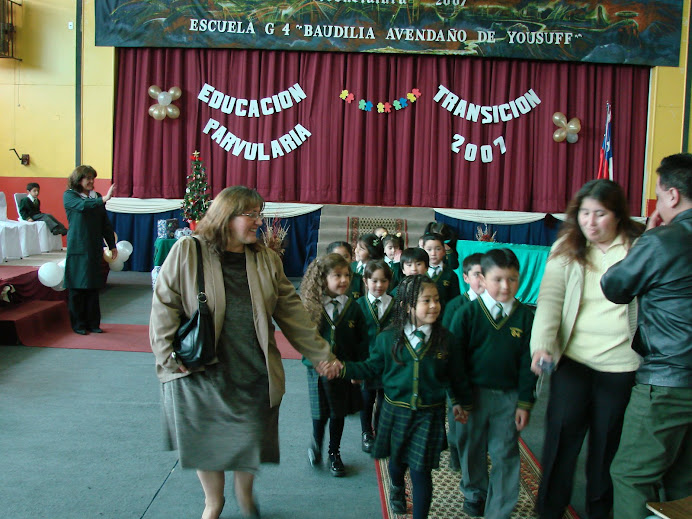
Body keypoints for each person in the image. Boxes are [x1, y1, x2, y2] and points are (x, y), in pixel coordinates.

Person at [149, 186, 336, 519]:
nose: (259, 222)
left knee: (250, 435)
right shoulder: (188, 250)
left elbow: (291, 310)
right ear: (227, 216)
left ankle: (245, 494)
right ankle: (214, 502)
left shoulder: (265, 258)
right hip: (200, 368)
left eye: (258, 214)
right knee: (207, 441)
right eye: (251, 215)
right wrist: (166, 354)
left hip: (252, 365)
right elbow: (165, 302)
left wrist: (320, 353)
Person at [530, 179, 645, 519]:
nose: (590, 222)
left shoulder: (639, 247)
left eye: (600, 214)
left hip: (622, 367)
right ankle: (549, 511)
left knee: (606, 450)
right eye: (584, 213)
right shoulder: (568, 246)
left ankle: (600, 512)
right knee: (560, 442)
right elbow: (550, 299)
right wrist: (542, 346)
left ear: (618, 215)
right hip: (574, 362)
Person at [324, 275, 471, 519]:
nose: (434, 305)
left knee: (421, 471)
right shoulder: (387, 339)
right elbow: (370, 368)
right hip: (396, 412)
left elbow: (456, 376)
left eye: (436, 300)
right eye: (426, 300)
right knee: (397, 464)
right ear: (407, 306)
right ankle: (397, 486)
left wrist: (459, 402)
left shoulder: (447, 340)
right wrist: (344, 368)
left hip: (429, 413)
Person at [600, 153, 692, 519]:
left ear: (671, 196)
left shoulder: (664, 240)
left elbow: (614, 285)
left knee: (631, 476)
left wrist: (648, 239)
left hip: (667, 382)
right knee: (684, 481)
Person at [448, 248, 537, 519]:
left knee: (505, 453)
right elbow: (454, 361)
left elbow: (528, 364)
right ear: (482, 279)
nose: (505, 286)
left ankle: (499, 510)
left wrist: (524, 402)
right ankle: (475, 491)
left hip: (508, 398)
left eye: (512, 279)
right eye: (498, 279)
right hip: (472, 396)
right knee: (471, 447)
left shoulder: (525, 317)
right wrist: (458, 398)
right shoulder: (466, 314)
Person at [300, 253, 369, 477]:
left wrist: (357, 369)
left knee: (338, 413)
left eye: (347, 275)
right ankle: (317, 443)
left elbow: (362, 341)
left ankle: (334, 453)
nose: (344, 280)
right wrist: (316, 363)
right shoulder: (312, 306)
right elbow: (304, 340)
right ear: (323, 279)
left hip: (343, 370)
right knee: (320, 414)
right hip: (318, 371)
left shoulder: (353, 307)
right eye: (337, 275)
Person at [441, 252, 484, 471]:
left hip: (483, 373)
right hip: (459, 372)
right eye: (477, 274)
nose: (482, 280)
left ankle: (475, 453)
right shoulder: (455, 306)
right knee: (458, 415)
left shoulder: (494, 305)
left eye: (486, 274)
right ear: (466, 278)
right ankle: (456, 452)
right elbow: (447, 342)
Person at [63, 165, 117, 335]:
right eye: (88, 178)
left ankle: (94, 323)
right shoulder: (70, 196)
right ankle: (78, 324)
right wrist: (103, 199)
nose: (91, 181)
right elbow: (83, 206)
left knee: (93, 287)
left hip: (94, 247)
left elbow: (104, 223)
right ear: (78, 180)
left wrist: (111, 244)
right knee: (77, 288)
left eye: (93, 178)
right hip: (78, 248)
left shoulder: (97, 197)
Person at [356, 259, 395, 454]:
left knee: (384, 399)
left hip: (389, 362)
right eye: (374, 281)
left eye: (383, 281)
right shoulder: (358, 305)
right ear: (365, 281)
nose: (379, 285)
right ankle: (366, 432)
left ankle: (380, 432)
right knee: (366, 398)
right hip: (367, 362)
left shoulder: (396, 305)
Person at [421, 233, 461, 311]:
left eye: (438, 249)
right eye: (429, 250)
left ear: (444, 250)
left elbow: (455, 301)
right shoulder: (419, 273)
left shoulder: (450, 275)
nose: (433, 254)